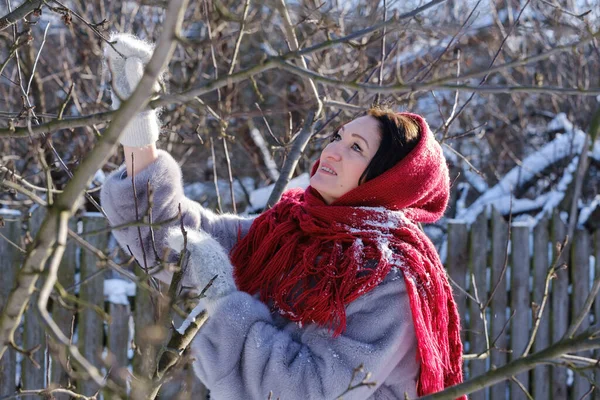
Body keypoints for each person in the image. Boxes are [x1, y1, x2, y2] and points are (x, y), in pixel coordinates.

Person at [100, 34, 465, 400]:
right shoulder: (288, 234)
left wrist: (224, 300)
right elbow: (171, 239)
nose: (333, 150)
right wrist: (137, 126)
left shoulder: (387, 278)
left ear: (387, 179)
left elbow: (310, 390)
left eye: (356, 147)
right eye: (338, 136)